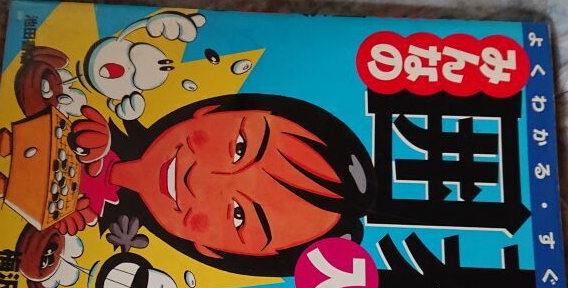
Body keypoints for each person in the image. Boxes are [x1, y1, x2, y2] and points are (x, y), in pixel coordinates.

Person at [63, 93, 376, 277]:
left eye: (240, 216)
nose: (197, 179)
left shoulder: (82, 247)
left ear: (212, 251)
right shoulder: (91, 109)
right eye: (240, 147)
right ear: (212, 111)